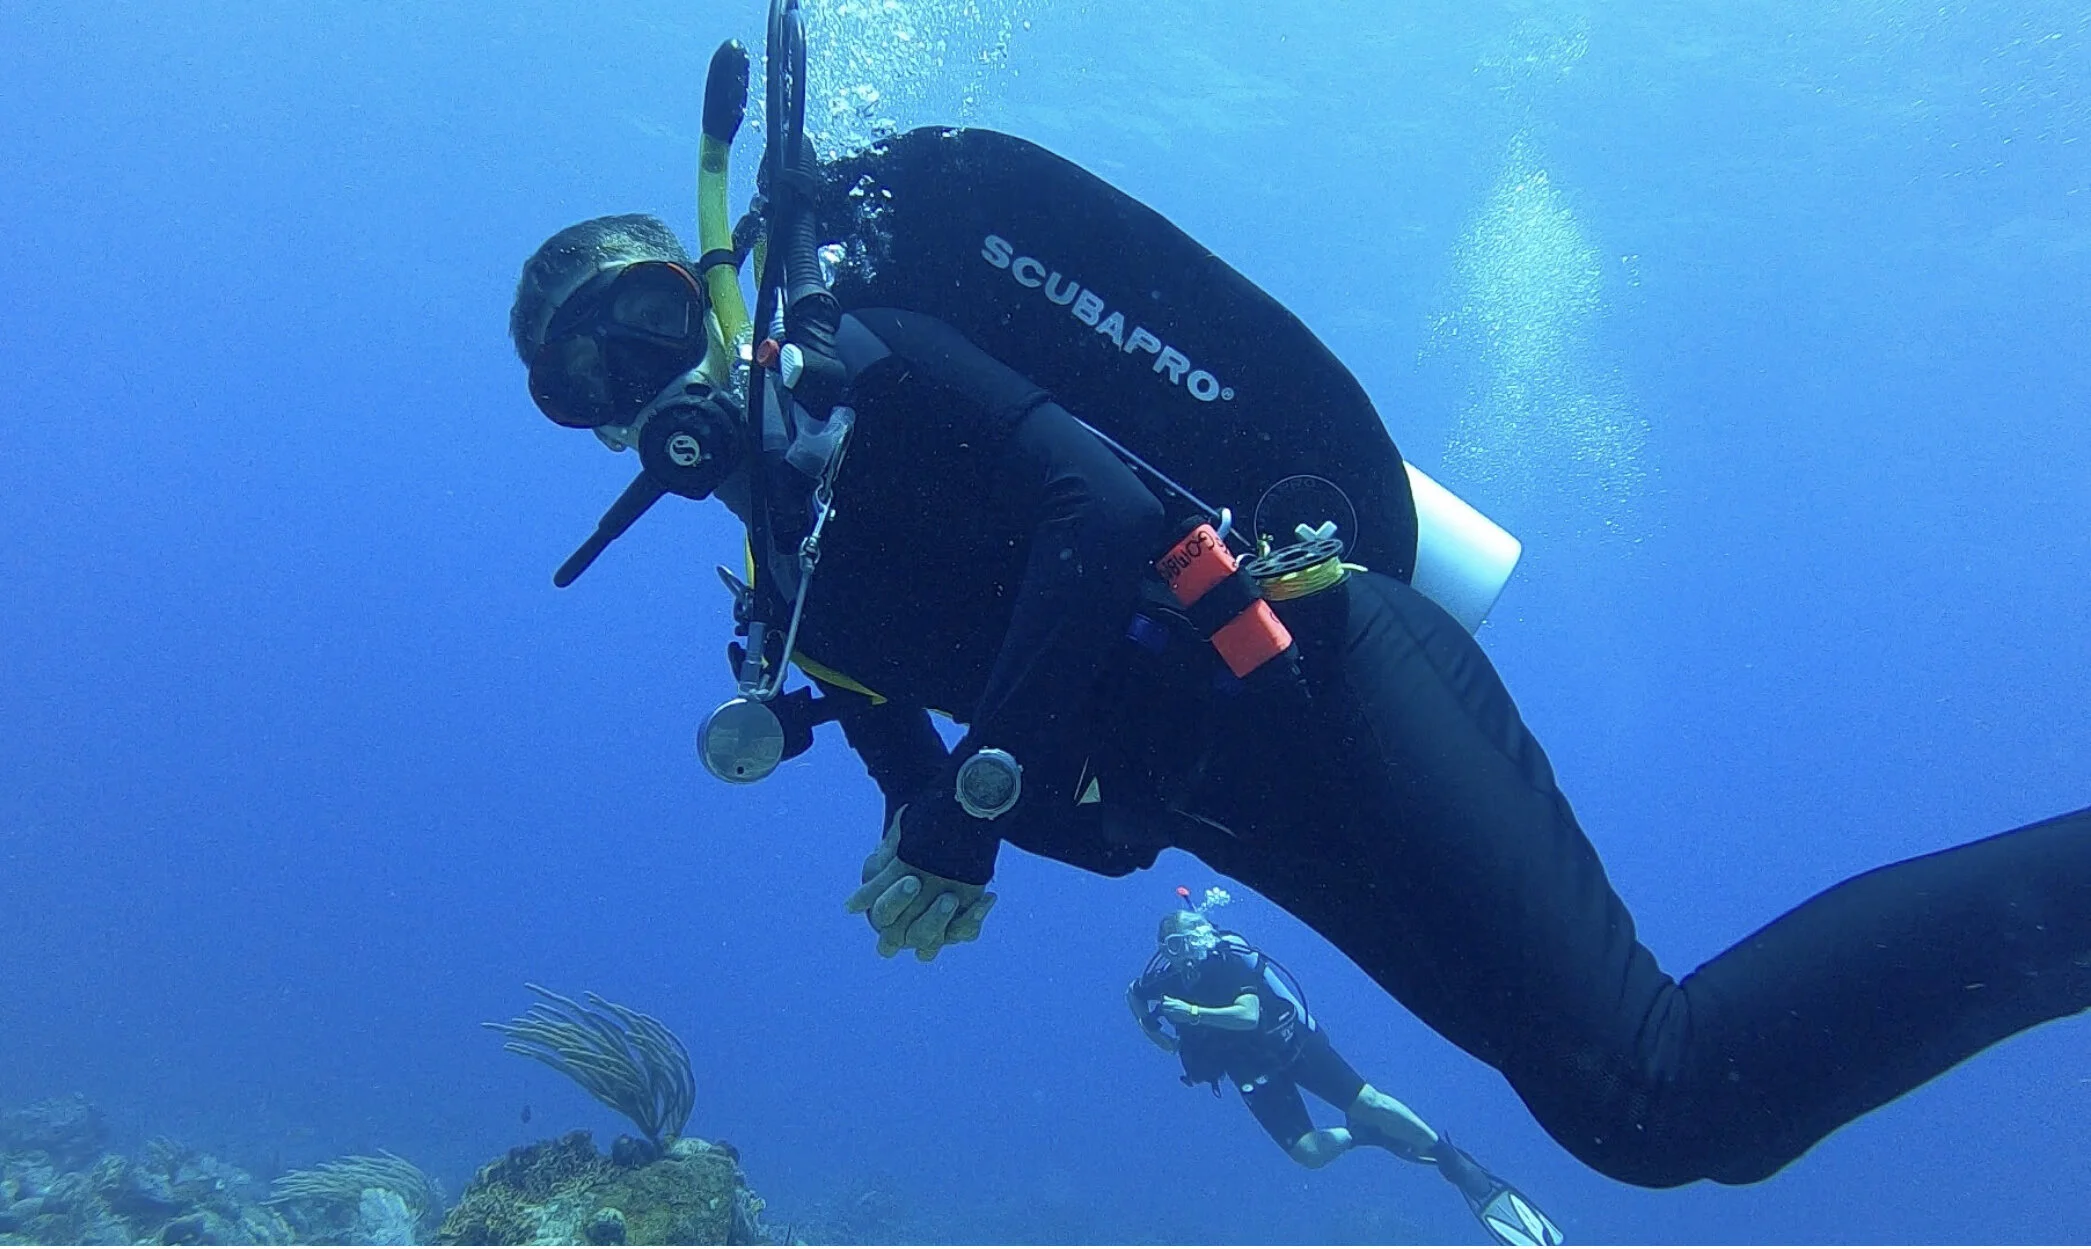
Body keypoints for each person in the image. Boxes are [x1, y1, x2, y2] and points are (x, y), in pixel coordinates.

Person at [504, 6, 2091, 1190]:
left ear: (709, 286)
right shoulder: (788, 589)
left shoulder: (871, 359)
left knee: (1666, 1089)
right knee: (1641, 1124)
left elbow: (1099, 506)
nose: (633, 380)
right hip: (1239, 793)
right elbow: (934, 779)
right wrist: (935, 825)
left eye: (641, 322)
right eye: (582, 380)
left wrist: (968, 800)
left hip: (1324, 659)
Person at [1130, 903, 1563, 1246]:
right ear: (1165, 953)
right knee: (1309, 1155)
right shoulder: (1165, 981)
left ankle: (1452, 1161)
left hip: (1294, 1045)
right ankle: (1365, 1136)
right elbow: (1135, 996)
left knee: (1369, 1101)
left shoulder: (1230, 962)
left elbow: (1248, 1015)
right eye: (1175, 947)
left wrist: (1190, 1013)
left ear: (1207, 934)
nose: (1188, 952)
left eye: (1193, 939)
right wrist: (1155, 1034)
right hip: (1254, 1072)